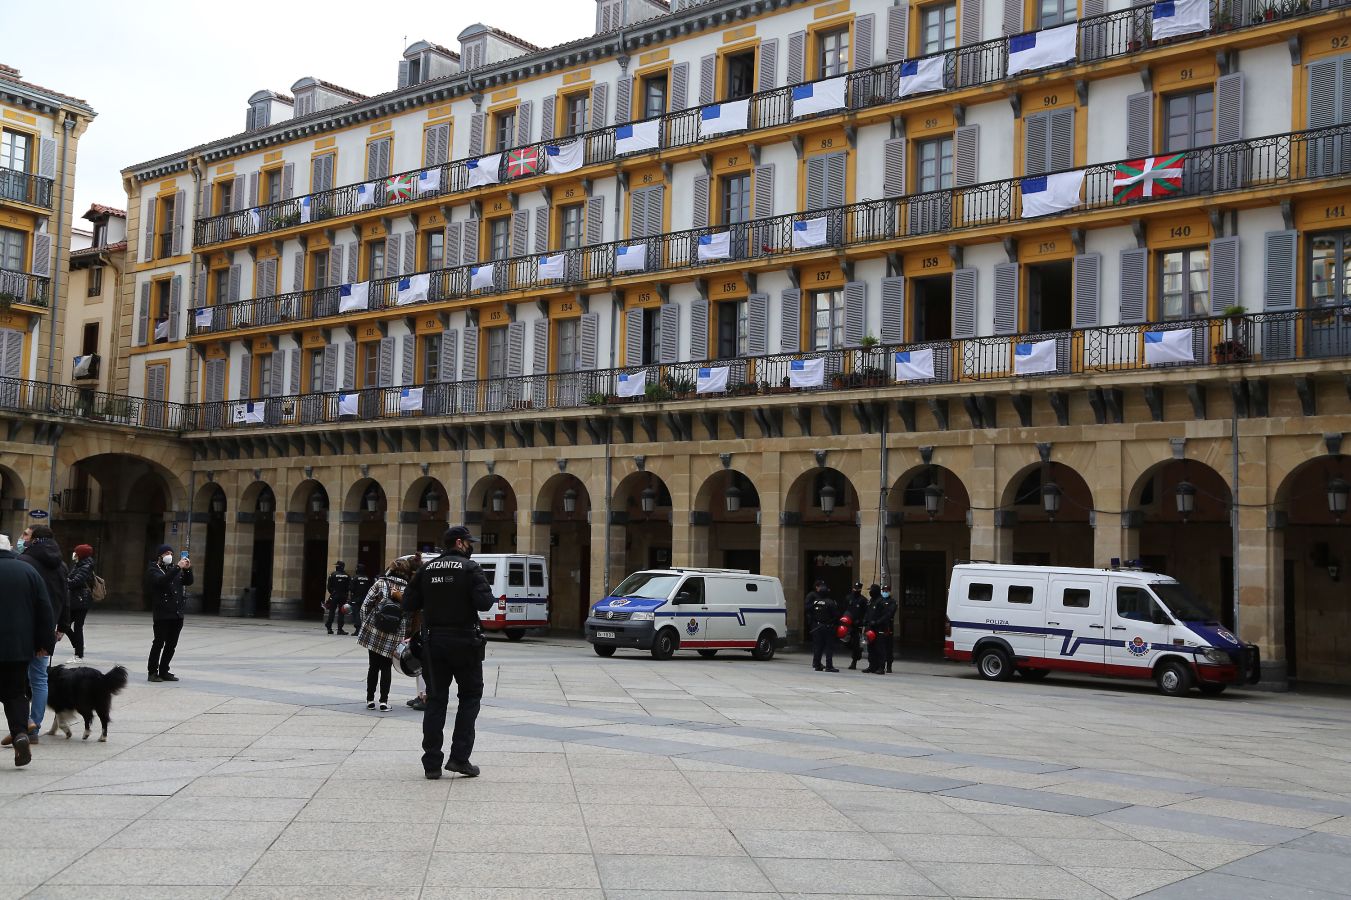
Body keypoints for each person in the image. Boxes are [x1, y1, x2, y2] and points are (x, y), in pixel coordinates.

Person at [402, 525, 494, 780]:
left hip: (434, 644)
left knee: (436, 700)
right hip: (465, 643)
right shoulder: (471, 568)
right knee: (470, 697)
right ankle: (459, 759)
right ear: (460, 543)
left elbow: (408, 603)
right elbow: (485, 603)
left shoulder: (426, 569)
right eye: (469, 542)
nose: (471, 546)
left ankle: (432, 764)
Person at [0, 533, 55, 767]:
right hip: (18, 647)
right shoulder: (28, 571)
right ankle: (21, 733)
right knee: (15, 693)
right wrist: (44, 643)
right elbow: (45, 609)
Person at [17, 525, 69, 736]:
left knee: (18, 678)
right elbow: (65, 597)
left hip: (24, 627)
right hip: (48, 628)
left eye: (26, 534)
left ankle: (20, 724)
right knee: (39, 678)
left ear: (35, 539)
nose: (22, 538)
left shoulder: (23, 561)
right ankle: (34, 727)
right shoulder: (61, 565)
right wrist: (63, 625)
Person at [356, 555, 420, 711]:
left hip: (375, 630)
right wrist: (405, 633)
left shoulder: (381, 583)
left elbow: (365, 606)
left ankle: (370, 700)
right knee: (386, 667)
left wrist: (367, 623)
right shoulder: (408, 590)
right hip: (394, 634)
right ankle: (384, 701)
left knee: (373, 666)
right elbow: (410, 614)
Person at [146, 543, 193, 683]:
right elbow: (162, 581)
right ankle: (152, 672)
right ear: (160, 556)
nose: (170, 556)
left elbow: (188, 582)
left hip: (176, 613)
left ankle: (164, 670)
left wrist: (188, 570)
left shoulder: (174, 569)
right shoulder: (153, 569)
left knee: (171, 644)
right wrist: (178, 567)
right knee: (158, 643)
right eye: (166, 553)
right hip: (162, 613)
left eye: (171, 554)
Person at [66, 544, 97, 663]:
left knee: (77, 627)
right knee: (65, 624)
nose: (74, 554)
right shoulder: (79, 565)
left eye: (76, 552)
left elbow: (75, 582)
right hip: (76, 599)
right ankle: (78, 645)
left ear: (81, 554)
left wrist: (64, 580)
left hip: (81, 600)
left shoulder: (85, 566)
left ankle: (79, 655)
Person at [805, 579, 839, 673]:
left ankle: (817, 665)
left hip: (817, 625)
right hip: (827, 626)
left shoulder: (815, 602)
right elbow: (836, 615)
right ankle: (828, 666)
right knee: (829, 646)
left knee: (818, 646)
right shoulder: (830, 602)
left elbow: (812, 611)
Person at [843, 581, 869, 670]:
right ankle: (858, 650)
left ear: (860, 589)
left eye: (857, 589)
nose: (855, 590)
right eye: (855, 588)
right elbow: (844, 609)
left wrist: (861, 621)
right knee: (845, 641)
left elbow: (866, 613)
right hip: (848, 624)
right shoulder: (848, 598)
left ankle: (854, 662)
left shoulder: (863, 600)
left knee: (855, 643)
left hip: (857, 625)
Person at [325, 561, 351, 635]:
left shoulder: (332, 574)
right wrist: (346, 594)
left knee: (332, 611)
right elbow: (349, 587)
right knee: (341, 612)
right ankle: (340, 629)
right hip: (343, 596)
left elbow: (329, 586)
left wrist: (332, 593)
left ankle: (329, 627)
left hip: (334, 595)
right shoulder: (347, 576)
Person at [349, 563, 374, 632]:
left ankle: (357, 629)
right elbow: (370, 588)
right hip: (365, 598)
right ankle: (363, 628)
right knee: (363, 613)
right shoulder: (367, 578)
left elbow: (351, 588)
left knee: (356, 613)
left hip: (356, 598)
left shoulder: (354, 578)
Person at [880, 584, 897, 674]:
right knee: (880, 646)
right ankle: (880, 665)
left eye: (886, 591)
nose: (885, 592)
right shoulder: (880, 600)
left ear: (890, 592)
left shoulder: (892, 602)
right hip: (880, 625)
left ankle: (889, 665)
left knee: (889, 647)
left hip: (888, 626)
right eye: (883, 591)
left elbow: (890, 612)